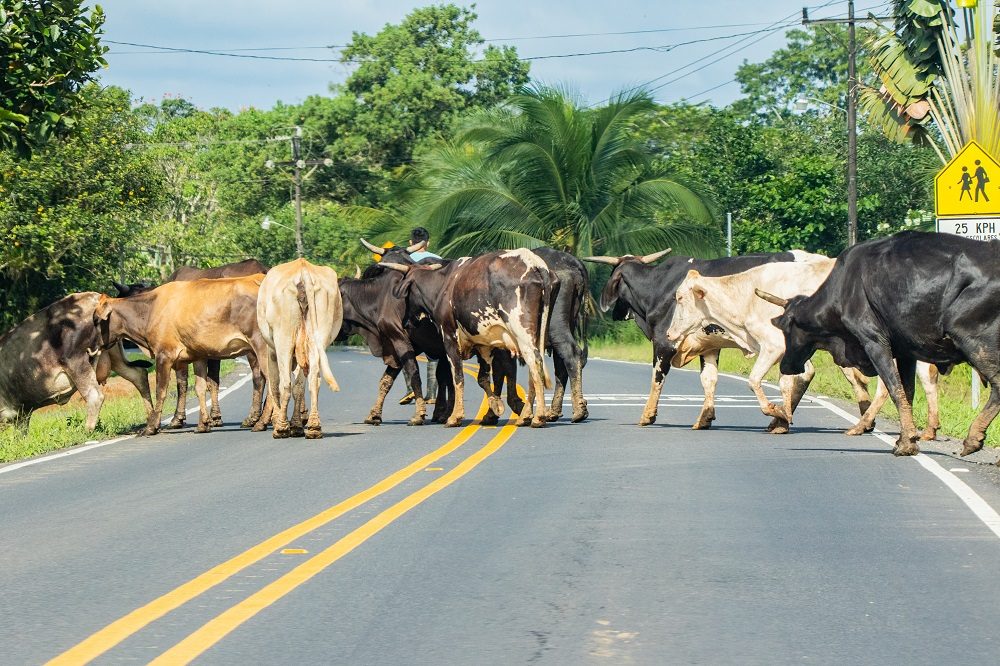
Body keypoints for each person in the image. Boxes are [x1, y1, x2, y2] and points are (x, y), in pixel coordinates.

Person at [400, 227, 442, 406]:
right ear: (428, 243)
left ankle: (411, 389)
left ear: (411, 243)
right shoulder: (439, 260)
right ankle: (432, 394)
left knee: (404, 349)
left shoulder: (404, 261)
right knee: (434, 353)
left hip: (409, 315)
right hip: (433, 312)